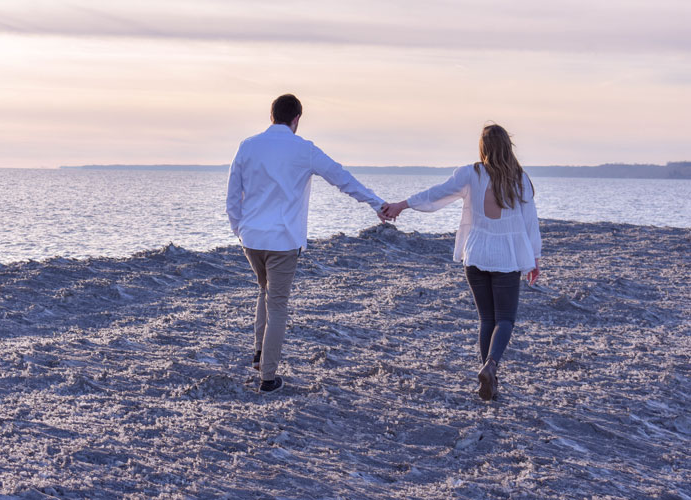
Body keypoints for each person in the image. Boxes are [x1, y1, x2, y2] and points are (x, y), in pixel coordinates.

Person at [226, 94, 388, 394]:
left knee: (264, 291)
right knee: (277, 304)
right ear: (297, 119)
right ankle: (268, 378)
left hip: (252, 239)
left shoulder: (248, 146)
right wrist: (377, 204)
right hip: (283, 241)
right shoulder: (304, 150)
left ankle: (260, 354)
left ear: (271, 115)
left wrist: (240, 230)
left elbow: (233, 195)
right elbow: (343, 180)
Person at [382, 124, 541, 401]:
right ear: (508, 146)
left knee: (486, 319)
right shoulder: (521, 179)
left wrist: (402, 205)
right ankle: (490, 366)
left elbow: (437, 194)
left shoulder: (471, 173)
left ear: (484, 147)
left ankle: (488, 377)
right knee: (505, 319)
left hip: (477, 254)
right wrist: (534, 259)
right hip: (507, 257)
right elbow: (530, 224)